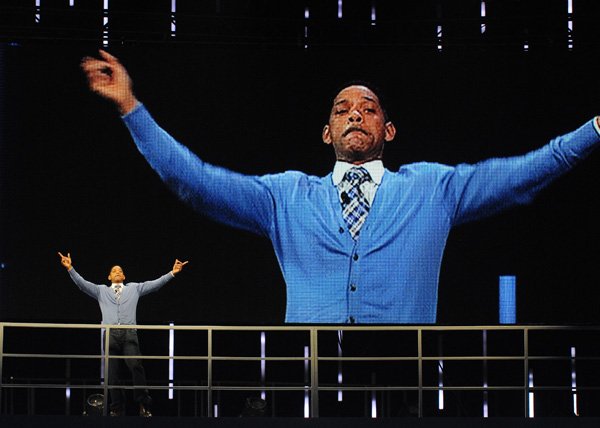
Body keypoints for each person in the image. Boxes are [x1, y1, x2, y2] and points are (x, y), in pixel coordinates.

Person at [80, 50, 600, 324]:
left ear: (388, 131)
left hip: (404, 381)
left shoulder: (433, 189)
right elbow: (193, 181)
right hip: (310, 383)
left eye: (369, 109)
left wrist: (595, 129)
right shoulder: (284, 196)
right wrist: (130, 106)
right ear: (327, 132)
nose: (356, 113)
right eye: (342, 109)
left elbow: (530, 170)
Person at [58, 251, 188, 416]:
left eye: (120, 271)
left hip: (129, 333)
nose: (117, 272)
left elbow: (155, 284)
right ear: (109, 277)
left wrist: (172, 273)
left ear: (124, 276)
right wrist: (70, 268)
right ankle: (117, 408)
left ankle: (143, 404)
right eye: (114, 271)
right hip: (110, 335)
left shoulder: (134, 288)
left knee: (136, 366)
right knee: (112, 373)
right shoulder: (101, 291)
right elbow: (82, 284)